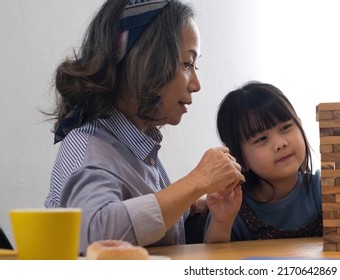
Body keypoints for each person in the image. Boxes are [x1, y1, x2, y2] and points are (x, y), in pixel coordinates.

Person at [44, 0, 244, 254]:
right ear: (145, 60)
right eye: (186, 64)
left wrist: (203, 208)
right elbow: (93, 234)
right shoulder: (86, 144)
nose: (196, 84)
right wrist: (197, 180)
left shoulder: (143, 150)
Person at [204, 81, 340, 242]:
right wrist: (221, 223)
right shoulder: (234, 205)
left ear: (300, 125)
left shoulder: (321, 189)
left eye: (286, 127)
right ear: (240, 157)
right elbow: (213, 263)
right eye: (261, 139)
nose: (280, 143)